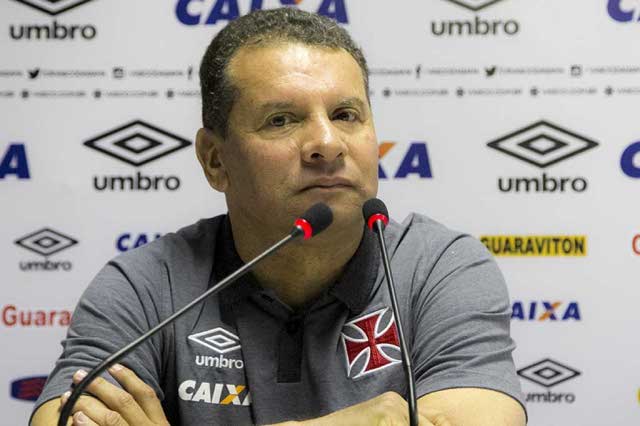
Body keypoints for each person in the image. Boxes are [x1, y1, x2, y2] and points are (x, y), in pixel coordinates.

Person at [31, 8, 526, 426]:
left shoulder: (438, 268)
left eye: (345, 115)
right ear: (215, 161)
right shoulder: (148, 283)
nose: (326, 144)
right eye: (281, 120)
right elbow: (61, 417)